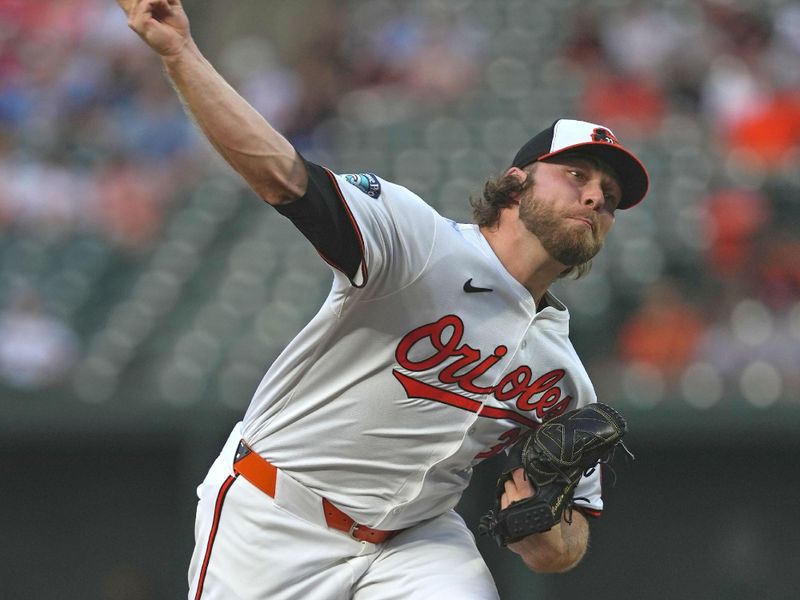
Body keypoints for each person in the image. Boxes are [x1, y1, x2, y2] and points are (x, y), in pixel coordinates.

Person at [117, 2, 650, 599]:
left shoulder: (564, 378)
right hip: (278, 511)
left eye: (609, 195)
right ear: (516, 180)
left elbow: (566, 546)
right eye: (577, 175)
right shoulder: (419, 243)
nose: (596, 198)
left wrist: (543, 530)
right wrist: (181, 53)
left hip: (416, 539)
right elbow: (285, 178)